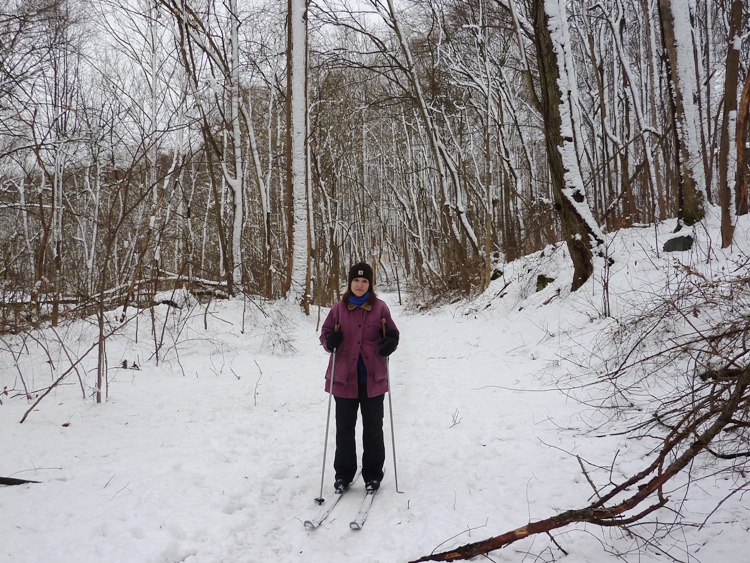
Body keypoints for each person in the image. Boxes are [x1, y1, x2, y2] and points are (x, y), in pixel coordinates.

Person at [319, 262, 400, 493]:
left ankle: (373, 474)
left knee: (373, 427)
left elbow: (393, 334)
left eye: (365, 281)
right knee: (345, 428)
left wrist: (390, 343)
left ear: (370, 284)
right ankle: (343, 475)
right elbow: (325, 334)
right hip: (344, 378)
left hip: (373, 379)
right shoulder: (338, 309)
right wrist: (329, 342)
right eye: (356, 280)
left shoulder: (380, 308)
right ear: (350, 283)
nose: (360, 285)